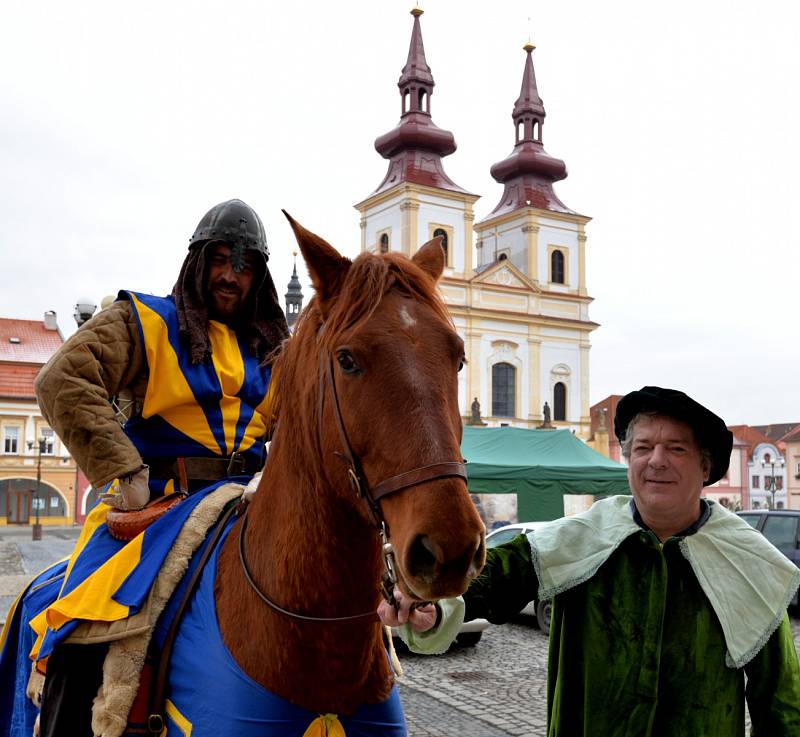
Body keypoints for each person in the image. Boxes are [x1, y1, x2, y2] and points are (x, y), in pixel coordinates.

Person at [5, 198, 289, 737]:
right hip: (160, 504)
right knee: (83, 631)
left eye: (246, 265)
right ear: (198, 262)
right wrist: (125, 472)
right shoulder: (146, 321)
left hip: (251, 503)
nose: (231, 275)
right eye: (221, 259)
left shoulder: (278, 349)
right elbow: (62, 379)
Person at [382, 386, 800, 736]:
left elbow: (782, 703)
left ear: (705, 466)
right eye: (643, 448)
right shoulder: (583, 536)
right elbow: (496, 577)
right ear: (628, 460)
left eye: (676, 448)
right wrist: (428, 603)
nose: (656, 460)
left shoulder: (749, 560)